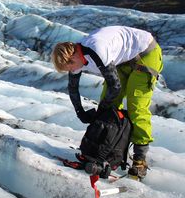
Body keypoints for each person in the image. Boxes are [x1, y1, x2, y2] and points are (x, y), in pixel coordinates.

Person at [51, 26, 163, 179]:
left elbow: (115, 87)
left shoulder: (96, 51)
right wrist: (80, 112)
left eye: (68, 67)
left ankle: (140, 160)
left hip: (146, 52)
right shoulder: (76, 58)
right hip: (123, 58)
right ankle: (109, 149)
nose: (70, 70)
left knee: (136, 106)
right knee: (109, 105)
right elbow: (73, 88)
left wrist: (101, 112)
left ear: (72, 57)